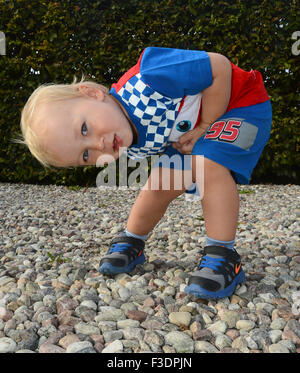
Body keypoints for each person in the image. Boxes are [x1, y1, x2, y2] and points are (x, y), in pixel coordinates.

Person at [18, 47, 272, 299]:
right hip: (193, 131)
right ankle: (133, 241)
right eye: (85, 155)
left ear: (93, 93)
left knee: (207, 162)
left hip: (243, 104)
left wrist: (206, 125)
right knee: (159, 184)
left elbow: (218, 66)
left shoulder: (151, 76)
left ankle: (223, 255)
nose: (98, 145)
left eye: (84, 129)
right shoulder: (122, 131)